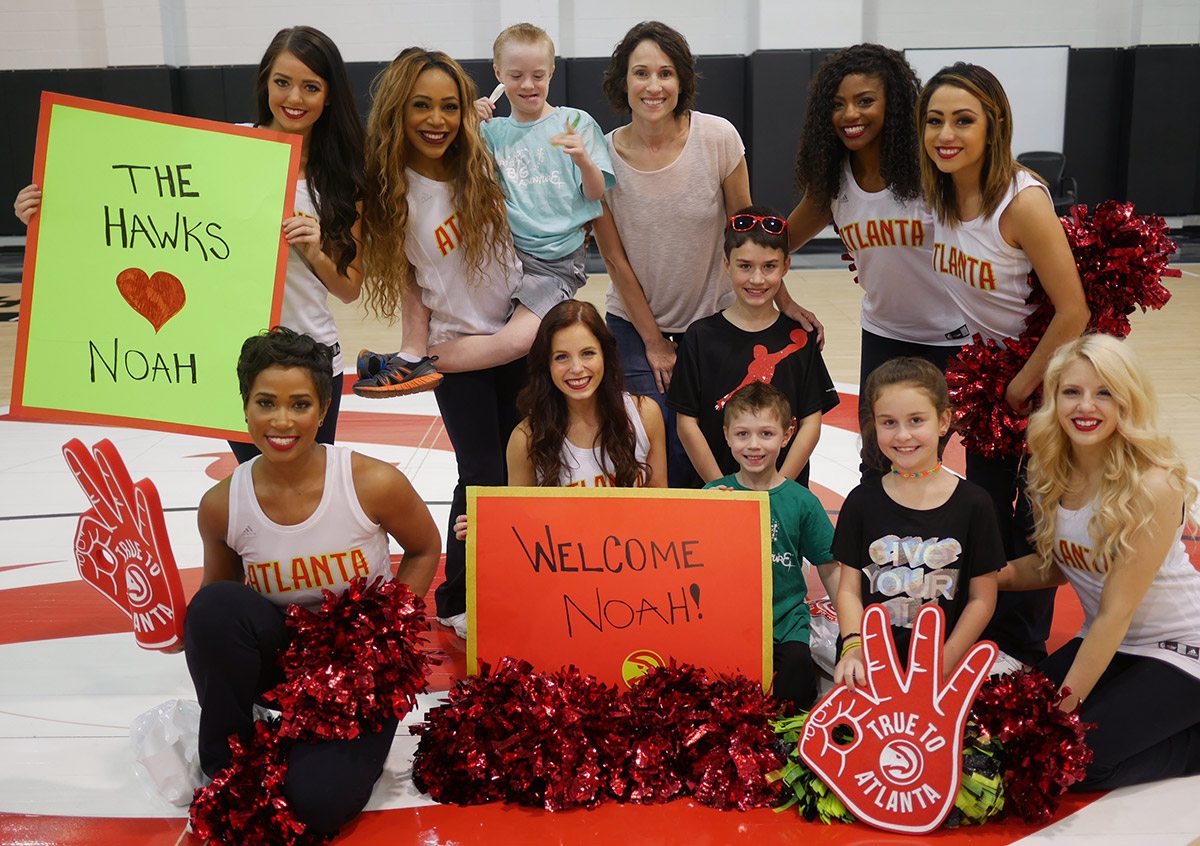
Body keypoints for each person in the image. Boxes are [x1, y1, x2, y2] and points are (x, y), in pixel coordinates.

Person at [14, 26, 367, 464]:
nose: (294, 97)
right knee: (255, 491)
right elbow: (135, 206)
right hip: (235, 363)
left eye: (310, 87)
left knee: (311, 493)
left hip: (312, 362)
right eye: (282, 82)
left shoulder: (341, 177)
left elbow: (351, 288)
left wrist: (314, 251)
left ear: (329, 95)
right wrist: (51, 210)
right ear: (265, 83)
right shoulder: (221, 149)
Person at [184, 327, 441, 836]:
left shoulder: (372, 481)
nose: (282, 420)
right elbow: (219, 607)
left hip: (357, 672)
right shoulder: (222, 503)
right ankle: (227, 753)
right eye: (266, 403)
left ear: (323, 410)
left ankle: (314, 748)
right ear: (245, 408)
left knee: (315, 806)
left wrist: (383, 636)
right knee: (212, 608)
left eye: (299, 404)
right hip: (282, 655)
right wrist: (176, 624)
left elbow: (424, 547)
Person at [590, 20, 822, 486]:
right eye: (641, 73)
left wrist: (785, 302)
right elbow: (613, 259)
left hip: (715, 321)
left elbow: (748, 236)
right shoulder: (602, 155)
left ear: (683, 81)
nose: (653, 86)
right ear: (623, 81)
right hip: (636, 326)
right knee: (657, 453)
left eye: (666, 73)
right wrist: (654, 341)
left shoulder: (717, 138)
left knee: (723, 442)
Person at [919, 62, 1089, 665]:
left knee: (1036, 521)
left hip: (1047, 381)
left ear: (993, 126)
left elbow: (1074, 311)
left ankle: (1025, 652)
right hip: (993, 379)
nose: (947, 133)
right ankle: (984, 640)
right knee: (987, 512)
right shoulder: (941, 191)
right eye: (935, 119)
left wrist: (1020, 387)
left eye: (964, 120)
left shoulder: (1023, 202)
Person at [359, 48, 526, 640]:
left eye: (449, 106)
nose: (436, 119)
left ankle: (521, 584)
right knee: (479, 472)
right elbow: (411, 276)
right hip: (460, 350)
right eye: (421, 106)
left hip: (525, 336)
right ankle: (459, 597)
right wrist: (413, 346)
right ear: (398, 113)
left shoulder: (488, 159)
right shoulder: (390, 189)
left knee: (527, 467)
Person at [1000, 334, 1200, 791]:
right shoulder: (1050, 467)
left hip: (1182, 648)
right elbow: (1062, 565)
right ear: (1054, 399)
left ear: (1127, 401)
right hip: (1113, 643)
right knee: (1007, 726)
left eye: (1104, 392)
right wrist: (993, 577)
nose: (1085, 406)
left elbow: (1116, 612)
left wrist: (1060, 715)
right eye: (1072, 391)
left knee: (1073, 761)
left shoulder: (1153, 485)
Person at [787, 44, 969, 391]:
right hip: (883, 335)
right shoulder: (832, 180)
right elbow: (774, 246)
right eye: (837, 105)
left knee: (951, 444)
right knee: (878, 446)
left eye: (865, 101)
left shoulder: (934, 172)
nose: (849, 114)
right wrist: (783, 301)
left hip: (954, 338)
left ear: (894, 104)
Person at [833, 357, 1003, 690]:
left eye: (916, 420)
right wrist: (854, 647)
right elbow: (849, 590)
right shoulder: (861, 502)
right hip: (869, 663)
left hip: (942, 665)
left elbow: (982, 599)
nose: (903, 435)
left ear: (943, 422)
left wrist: (944, 662)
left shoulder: (974, 504)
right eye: (889, 423)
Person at [452, 300, 667, 541]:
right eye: (561, 357)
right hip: (564, 573)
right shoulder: (526, 438)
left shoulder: (645, 415)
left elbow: (661, 508)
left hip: (632, 565)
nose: (576, 368)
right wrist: (490, 528)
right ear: (547, 365)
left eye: (588, 353)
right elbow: (520, 527)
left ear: (605, 356)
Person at [668, 205, 837, 488]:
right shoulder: (700, 337)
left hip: (783, 496)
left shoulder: (800, 337)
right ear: (726, 264)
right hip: (718, 496)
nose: (757, 279)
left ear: (786, 266)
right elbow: (686, 423)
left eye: (769, 266)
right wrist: (720, 487)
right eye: (745, 266)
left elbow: (810, 421)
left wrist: (781, 486)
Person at [703, 382, 838, 709]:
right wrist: (706, 514)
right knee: (717, 699)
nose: (754, 445)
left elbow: (830, 566)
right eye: (743, 434)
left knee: (795, 695)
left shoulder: (801, 501)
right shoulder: (711, 495)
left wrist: (853, 635)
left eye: (766, 434)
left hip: (786, 623)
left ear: (786, 435)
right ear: (726, 435)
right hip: (727, 623)